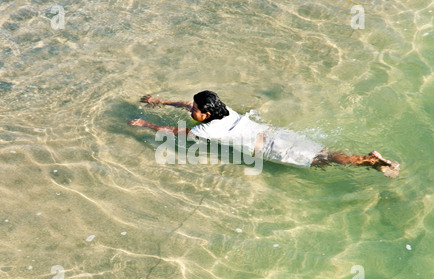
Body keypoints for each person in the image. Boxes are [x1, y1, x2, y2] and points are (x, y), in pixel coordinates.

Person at [127, 90, 400, 178]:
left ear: (206, 114)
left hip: (272, 150)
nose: (192, 109)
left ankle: (370, 161)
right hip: (275, 135)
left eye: (196, 109)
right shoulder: (225, 111)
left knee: (325, 160)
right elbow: (186, 105)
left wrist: (146, 124)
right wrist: (160, 102)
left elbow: (175, 131)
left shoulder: (206, 129)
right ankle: (370, 162)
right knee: (323, 151)